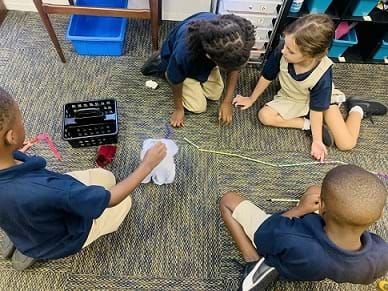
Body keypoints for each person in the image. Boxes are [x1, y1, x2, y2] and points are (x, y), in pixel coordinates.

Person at [0, 87, 167, 270]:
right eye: (21, 121)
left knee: (105, 176)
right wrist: (147, 165)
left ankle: (24, 242)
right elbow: (111, 200)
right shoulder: (52, 190)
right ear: (12, 136)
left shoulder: (26, 175)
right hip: (63, 236)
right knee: (124, 201)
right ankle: (37, 249)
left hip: (21, 217)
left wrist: (12, 153)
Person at [232, 14, 387, 162]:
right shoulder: (284, 49)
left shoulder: (323, 74)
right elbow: (267, 75)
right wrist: (251, 98)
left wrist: (317, 141)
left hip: (321, 103)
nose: (283, 50)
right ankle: (309, 125)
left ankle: (358, 109)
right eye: (285, 44)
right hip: (291, 97)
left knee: (346, 144)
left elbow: (317, 108)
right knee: (264, 116)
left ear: (311, 55)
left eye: (291, 51)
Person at [220, 164, 388, 290]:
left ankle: (254, 261)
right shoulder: (381, 255)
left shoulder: (290, 236)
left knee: (227, 201)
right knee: (315, 190)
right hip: (312, 266)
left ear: (322, 208)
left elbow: (266, 233)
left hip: (287, 247)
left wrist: (300, 209)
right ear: (379, 217)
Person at [141, 12, 255, 127]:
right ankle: (161, 62)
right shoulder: (183, 52)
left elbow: (235, 67)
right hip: (182, 62)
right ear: (211, 57)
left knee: (215, 94)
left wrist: (228, 100)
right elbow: (175, 80)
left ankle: (199, 77)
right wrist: (178, 109)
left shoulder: (234, 34)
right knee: (198, 107)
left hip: (206, 58)